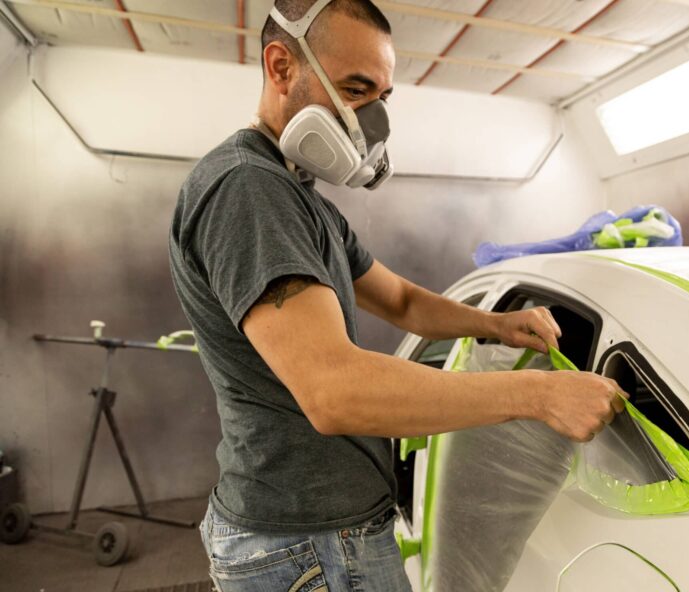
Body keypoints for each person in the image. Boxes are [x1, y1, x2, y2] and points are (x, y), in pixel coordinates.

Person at [168, 1, 626, 589]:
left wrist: (495, 326)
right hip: (306, 544)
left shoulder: (302, 199)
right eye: (355, 90)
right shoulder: (249, 190)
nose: (370, 122)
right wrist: (540, 394)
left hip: (320, 532)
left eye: (381, 98)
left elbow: (404, 301)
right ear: (281, 68)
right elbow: (335, 392)